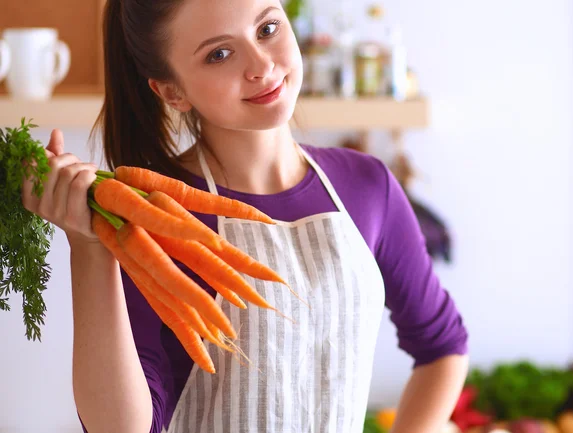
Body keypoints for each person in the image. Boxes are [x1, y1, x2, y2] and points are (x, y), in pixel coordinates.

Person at [21, 0, 469, 431]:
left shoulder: (368, 186)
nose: (260, 65)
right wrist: (90, 247)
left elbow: (443, 348)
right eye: (219, 54)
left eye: (267, 28)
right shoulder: (148, 214)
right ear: (172, 91)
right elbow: (121, 429)